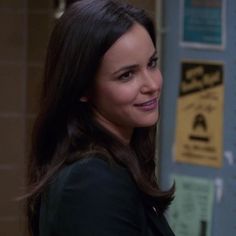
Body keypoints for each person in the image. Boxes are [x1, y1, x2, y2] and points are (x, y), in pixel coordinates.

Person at [25, 0, 175, 235]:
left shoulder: (114, 161)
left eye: (152, 63)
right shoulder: (91, 181)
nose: (152, 85)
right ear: (83, 88)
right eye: (127, 75)